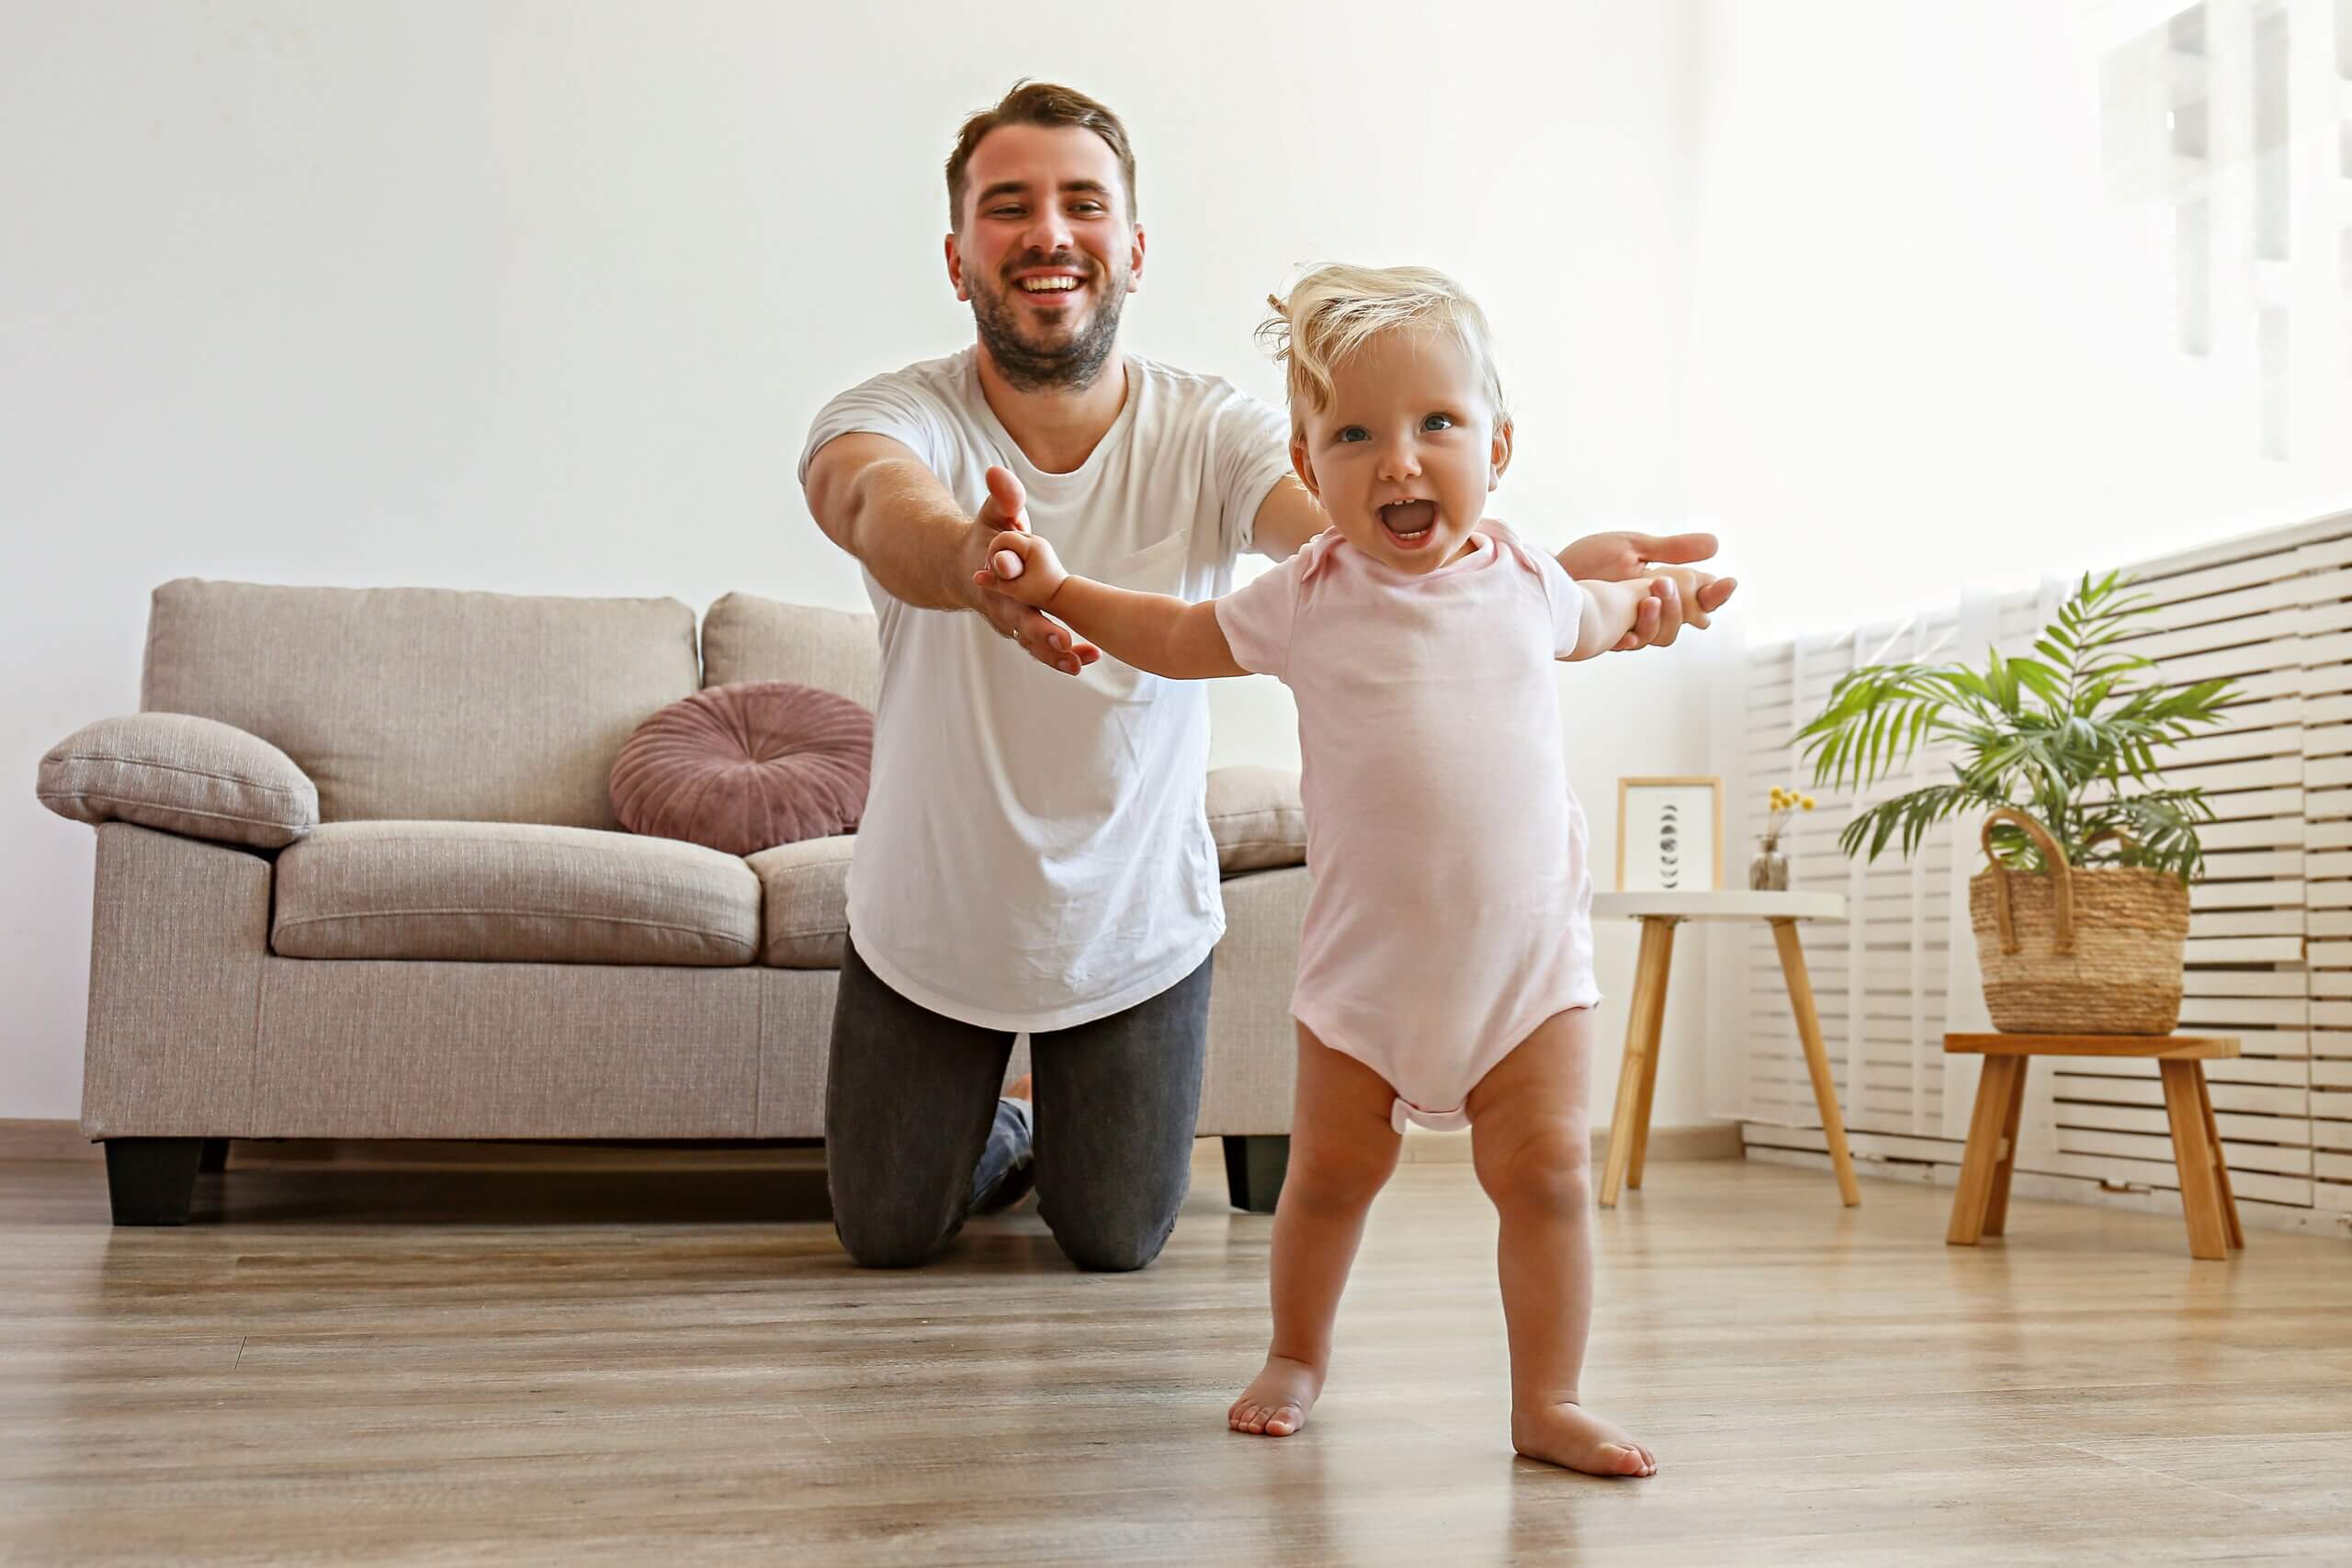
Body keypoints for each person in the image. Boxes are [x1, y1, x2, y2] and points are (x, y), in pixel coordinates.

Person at [799, 81, 1733, 1275]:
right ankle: (1003, 1129)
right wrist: (975, 561)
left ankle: (1047, 1133)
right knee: (885, 1231)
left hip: (1134, 928)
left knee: (1116, 1238)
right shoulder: (894, 413)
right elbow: (874, 502)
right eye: (1009, 207)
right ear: (957, 253)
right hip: (929, 921)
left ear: (1132, 249)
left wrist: (1502, 572)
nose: (1049, 234)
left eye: (1083, 204)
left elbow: (1339, 529)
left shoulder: (1214, 429)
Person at [974, 264, 1675, 1475]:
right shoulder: (1308, 596)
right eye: (1355, 434)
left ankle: (1546, 1399)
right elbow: (1184, 638)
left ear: (1499, 447)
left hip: (1528, 975)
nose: (1400, 462)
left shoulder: (1525, 581)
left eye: (1436, 426)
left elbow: (1604, 616)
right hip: (1363, 981)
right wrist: (1061, 588)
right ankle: (1297, 1351)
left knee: (1551, 1179)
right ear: (1307, 467)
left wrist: (1657, 595)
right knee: (1332, 1181)